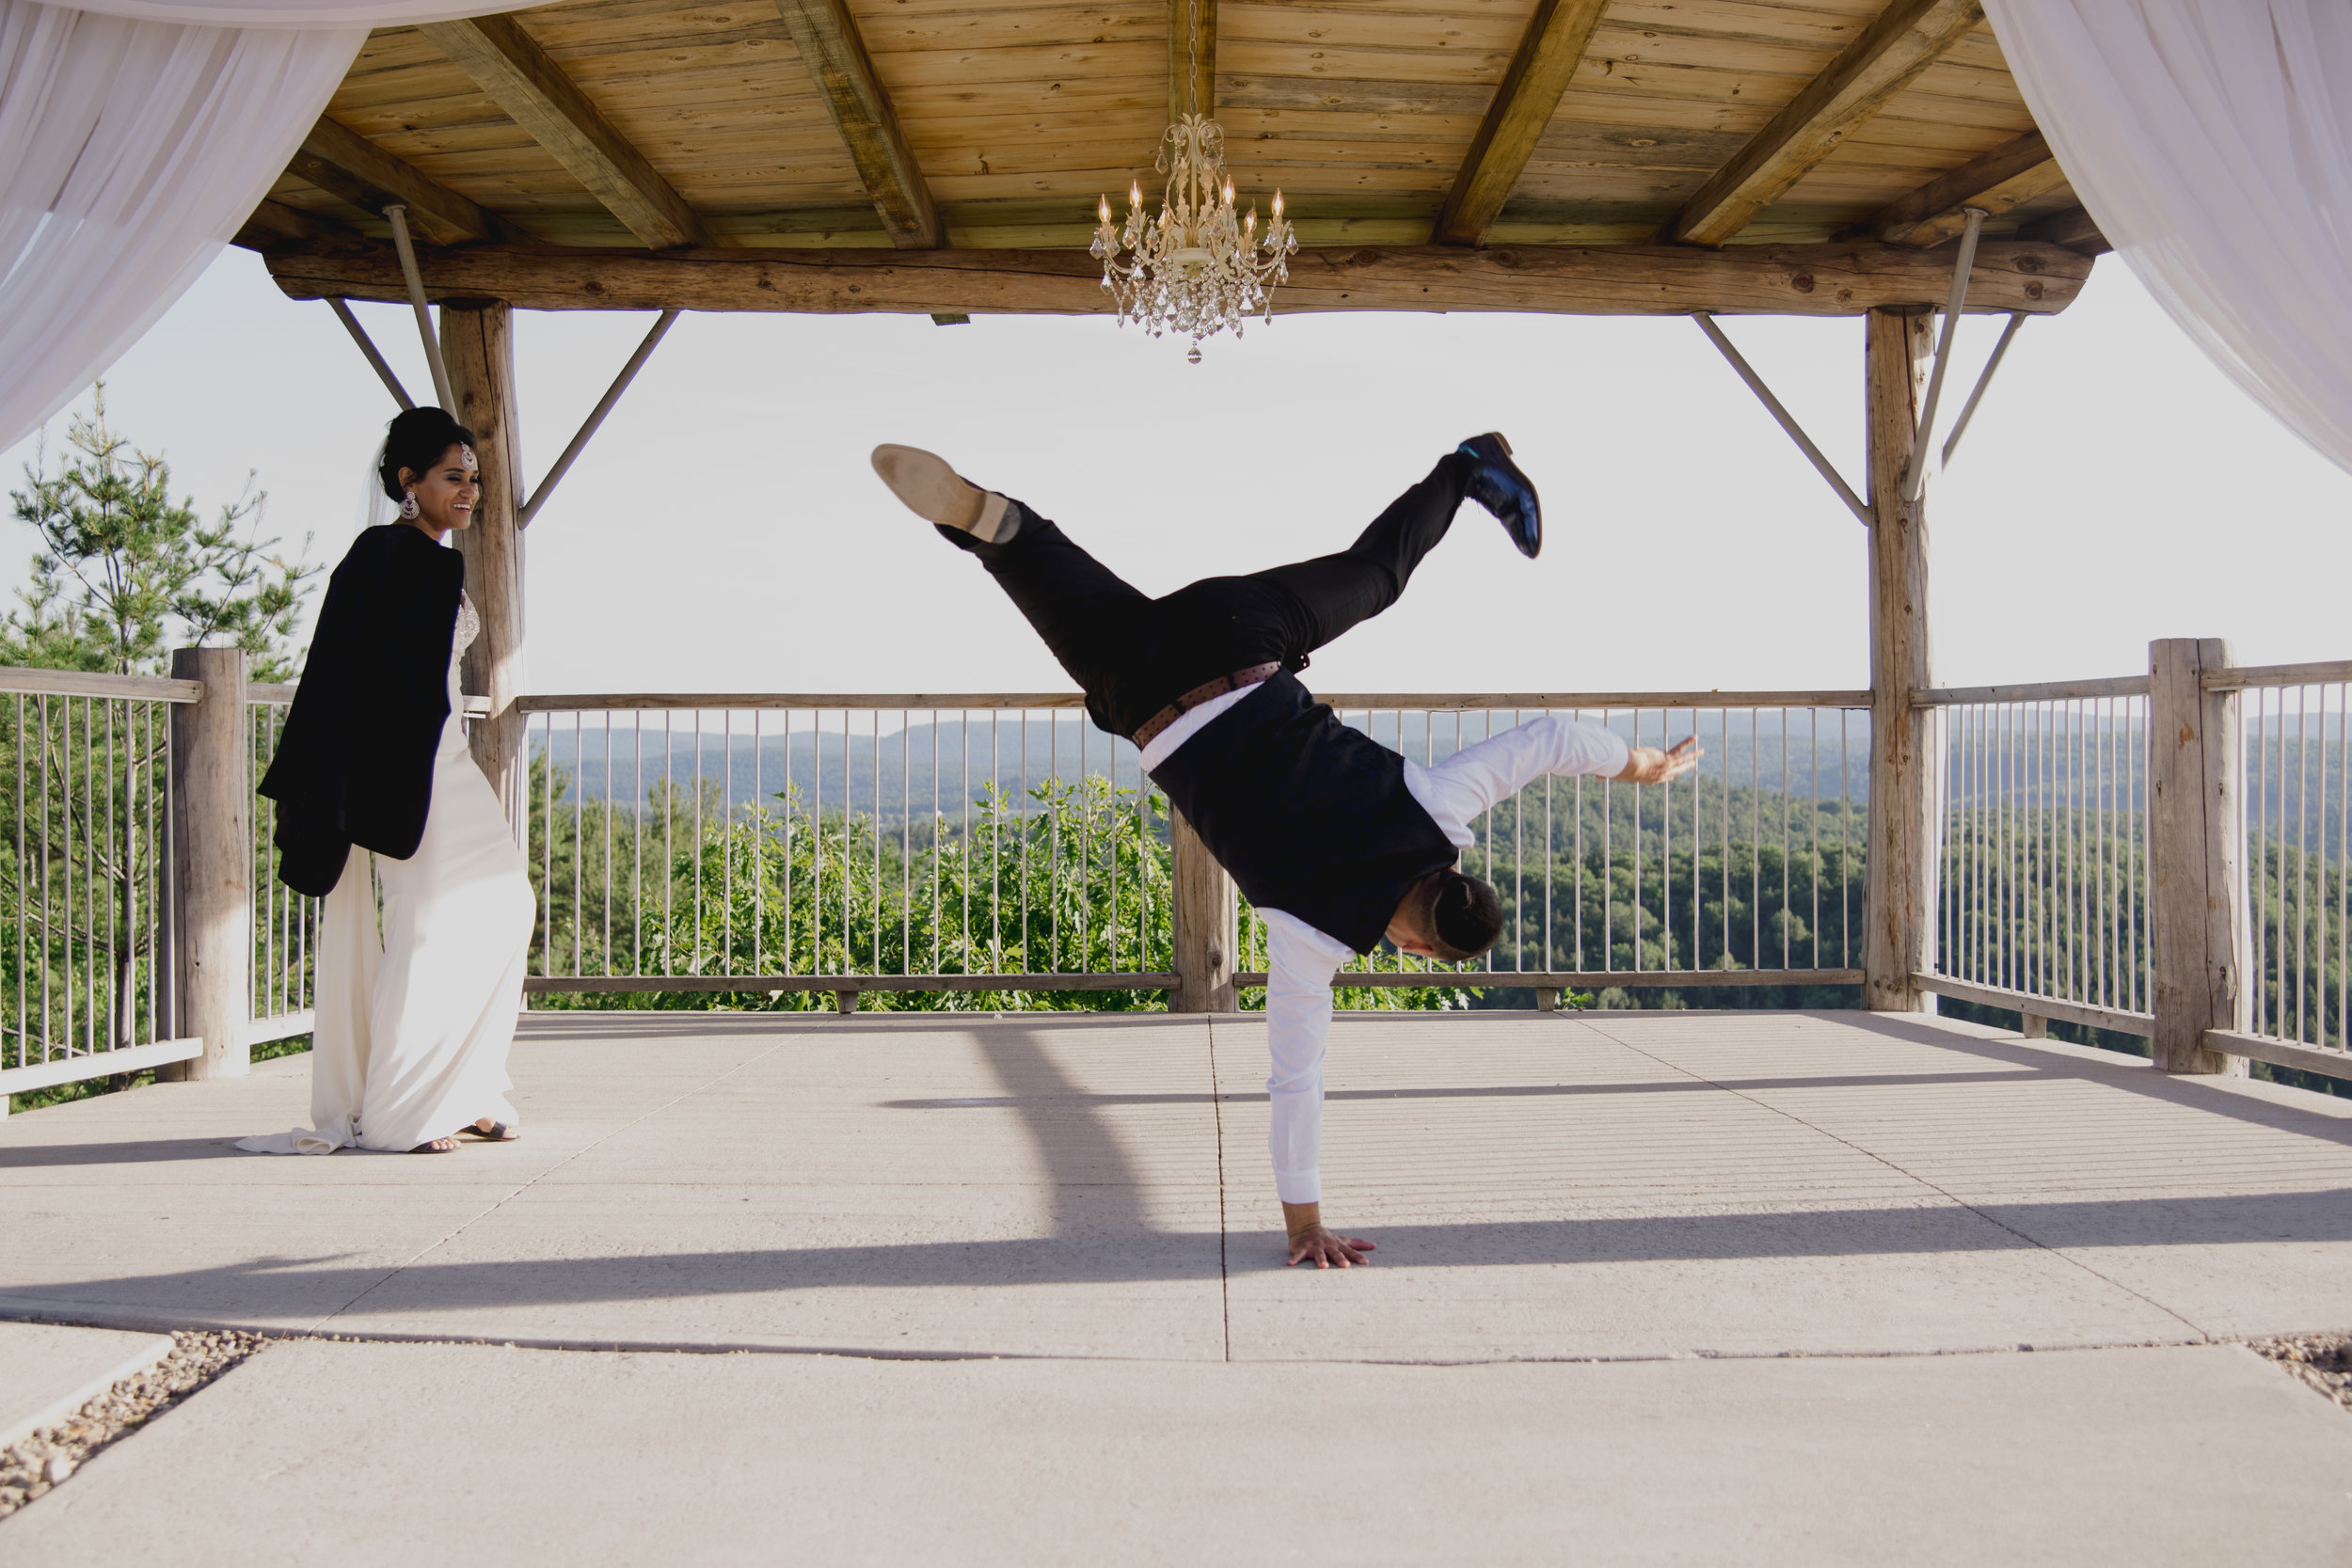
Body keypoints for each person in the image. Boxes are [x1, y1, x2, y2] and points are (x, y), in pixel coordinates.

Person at [871, 436, 1700, 1266]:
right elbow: (1295, 1081)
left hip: (1237, 638)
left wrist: (1647, 765)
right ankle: (989, 526)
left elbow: (1551, 738)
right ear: (1415, 946)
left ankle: (1468, 467)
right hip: (1145, 691)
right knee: (1022, 548)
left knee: (1375, 576)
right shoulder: (1316, 942)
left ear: (1456, 874)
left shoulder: (1440, 810)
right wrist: (1305, 1225)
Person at [238, 406, 536, 1156]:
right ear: (409, 481)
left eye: (473, 478)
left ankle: (462, 1087)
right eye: (452, 477)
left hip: (444, 760)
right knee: (426, 926)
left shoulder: (410, 556)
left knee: (504, 903)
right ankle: (407, 1109)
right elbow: (355, 679)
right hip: (411, 774)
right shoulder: (396, 556)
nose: (469, 490)